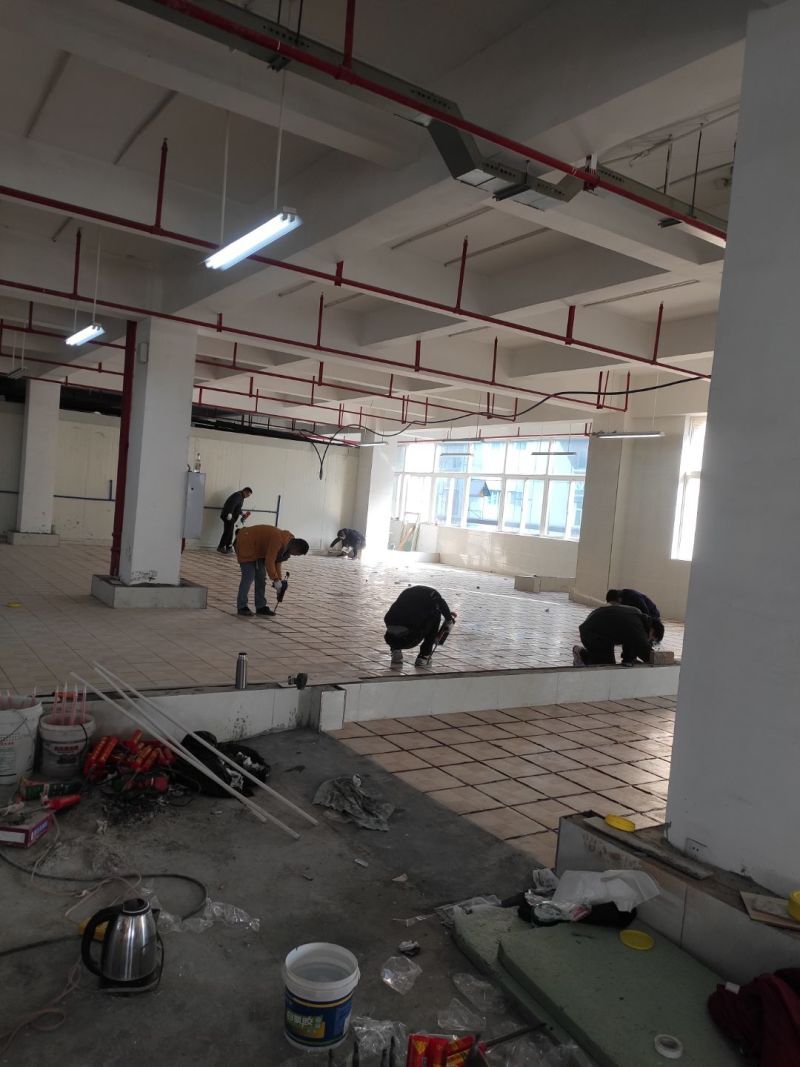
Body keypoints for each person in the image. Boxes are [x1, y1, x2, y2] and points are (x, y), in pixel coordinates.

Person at [234, 524, 309, 617]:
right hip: (246, 542)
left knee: (261, 578)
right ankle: (242, 606)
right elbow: (269, 561)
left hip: (258, 550)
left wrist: (279, 580)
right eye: (297, 554)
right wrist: (275, 579)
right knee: (248, 577)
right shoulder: (279, 540)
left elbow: (277, 561)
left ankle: (261, 606)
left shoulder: (287, 543)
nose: (295, 556)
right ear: (295, 548)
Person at [384, 585, 456, 668]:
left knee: (402, 621)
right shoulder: (434, 596)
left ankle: (396, 652)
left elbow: (389, 617)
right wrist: (449, 619)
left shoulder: (406, 593)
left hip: (390, 638)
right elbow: (442, 606)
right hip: (410, 639)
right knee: (436, 614)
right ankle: (424, 657)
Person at [573, 602, 654, 667]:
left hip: (598, 630)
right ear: (653, 630)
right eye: (652, 638)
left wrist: (629, 660)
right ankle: (582, 655)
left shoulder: (637, 616)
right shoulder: (637, 626)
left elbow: (631, 641)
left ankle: (589, 655)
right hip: (592, 633)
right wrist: (655, 659)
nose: (650, 640)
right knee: (605, 666)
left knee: (608, 663)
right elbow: (643, 648)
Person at [218, 487, 253, 554]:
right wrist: (229, 513)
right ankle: (221, 547)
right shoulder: (238, 495)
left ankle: (228, 547)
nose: (248, 497)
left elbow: (238, 507)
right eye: (248, 495)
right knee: (228, 531)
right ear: (245, 491)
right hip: (228, 516)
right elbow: (231, 504)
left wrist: (242, 514)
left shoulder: (241, 497)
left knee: (230, 531)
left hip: (231, 517)